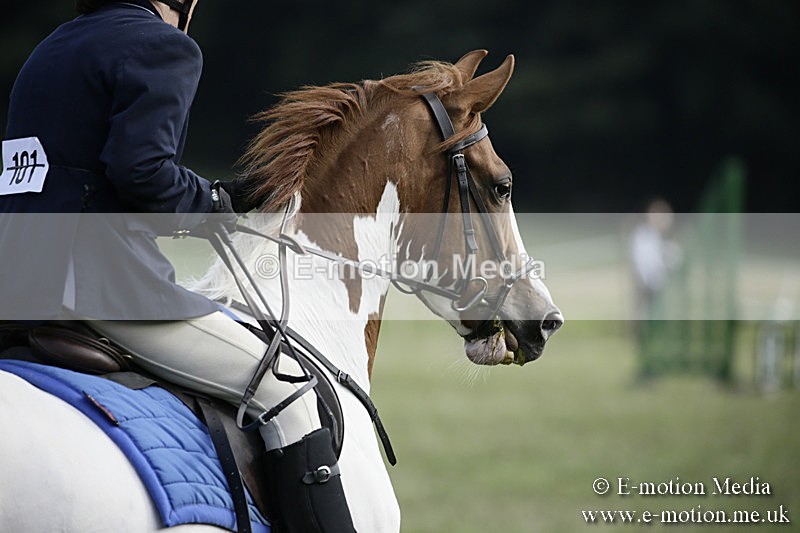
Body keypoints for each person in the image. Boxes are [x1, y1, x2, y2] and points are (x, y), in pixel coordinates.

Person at [0, 1, 353, 530]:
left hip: (16, 281)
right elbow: (141, 173)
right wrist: (215, 204)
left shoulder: (53, 47)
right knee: (290, 394)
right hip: (94, 286)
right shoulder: (162, 45)